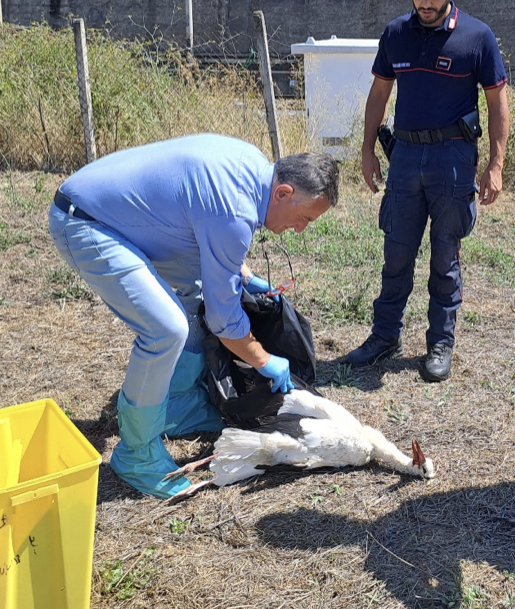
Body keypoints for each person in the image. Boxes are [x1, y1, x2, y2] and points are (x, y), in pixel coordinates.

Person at [49, 134, 338, 499]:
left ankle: (177, 407)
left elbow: (209, 222)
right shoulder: (237, 210)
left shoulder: (253, 166)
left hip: (115, 213)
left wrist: (242, 274)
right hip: (86, 222)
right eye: (303, 218)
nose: (300, 229)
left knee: (194, 297)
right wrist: (265, 361)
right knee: (165, 330)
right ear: (282, 192)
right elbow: (224, 320)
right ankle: (136, 454)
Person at [340, 0, 509, 382]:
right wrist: (365, 149)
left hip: (453, 158)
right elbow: (380, 93)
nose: (425, 3)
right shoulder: (396, 33)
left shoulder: (477, 37)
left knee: (445, 256)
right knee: (396, 252)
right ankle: (384, 337)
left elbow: (497, 101)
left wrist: (495, 164)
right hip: (405, 156)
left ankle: (439, 342)